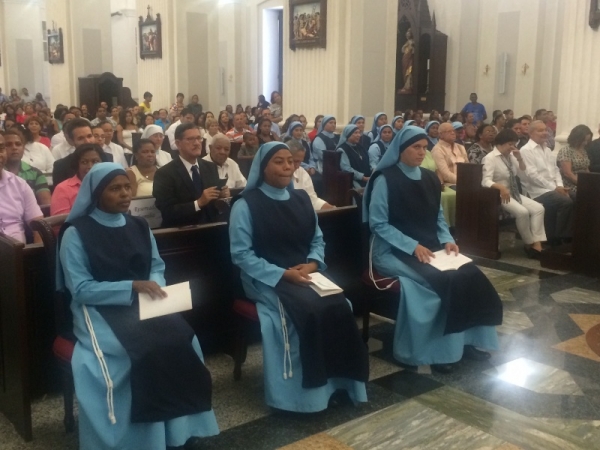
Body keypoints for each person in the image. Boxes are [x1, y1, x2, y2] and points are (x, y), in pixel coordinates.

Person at [57, 162, 219, 450]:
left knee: (184, 340)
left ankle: (179, 431)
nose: (124, 194)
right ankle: (133, 440)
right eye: (114, 189)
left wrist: (153, 285)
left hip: (143, 303)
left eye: (126, 187)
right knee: (135, 351)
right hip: (98, 308)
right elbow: (81, 290)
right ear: (96, 194)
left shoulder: (138, 224)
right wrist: (132, 287)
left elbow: (156, 265)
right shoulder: (76, 233)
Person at [229, 142, 368, 411]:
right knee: (305, 311)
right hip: (264, 279)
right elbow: (241, 256)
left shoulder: (302, 199)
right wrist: (283, 274)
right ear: (262, 167)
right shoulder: (245, 206)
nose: (286, 167)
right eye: (278, 161)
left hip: (305, 274)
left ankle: (338, 383)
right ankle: (303, 397)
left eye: (290, 161)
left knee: (340, 305)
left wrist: (313, 264)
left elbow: (317, 239)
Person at [363, 126, 502, 373]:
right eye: (415, 147)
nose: (421, 152)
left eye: (424, 148)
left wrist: (447, 238)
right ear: (400, 150)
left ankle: (468, 342)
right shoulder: (386, 179)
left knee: (471, 277)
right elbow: (378, 224)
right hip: (392, 251)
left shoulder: (429, 177)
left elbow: (437, 216)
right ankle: (442, 352)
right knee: (444, 283)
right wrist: (412, 245)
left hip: (430, 247)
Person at [481, 129, 546, 258]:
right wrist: (500, 187)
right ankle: (530, 243)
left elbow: (522, 173)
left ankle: (536, 242)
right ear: (501, 143)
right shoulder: (490, 158)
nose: (513, 147)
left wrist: (520, 159)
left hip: (513, 192)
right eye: (510, 144)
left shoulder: (510, 157)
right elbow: (485, 181)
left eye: (514, 144)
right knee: (522, 212)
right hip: (498, 194)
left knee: (539, 208)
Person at [153, 123, 226, 227]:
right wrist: (198, 203)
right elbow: (167, 211)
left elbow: (214, 204)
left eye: (198, 138)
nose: (196, 143)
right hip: (181, 233)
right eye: (190, 139)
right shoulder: (165, 174)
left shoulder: (210, 167)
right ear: (178, 144)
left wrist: (222, 197)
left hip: (211, 229)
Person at [520, 120, 573, 244]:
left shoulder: (548, 150)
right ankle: (558, 238)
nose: (544, 133)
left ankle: (569, 237)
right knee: (566, 202)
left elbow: (555, 170)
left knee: (576, 197)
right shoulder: (526, 150)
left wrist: (559, 185)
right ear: (531, 133)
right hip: (536, 191)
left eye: (545, 130)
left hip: (552, 188)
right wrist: (554, 188)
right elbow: (532, 175)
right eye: (540, 130)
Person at [0, 133, 43, 243]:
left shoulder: (20, 184)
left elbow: (38, 224)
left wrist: (36, 253)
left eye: (1, 149)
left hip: (19, 255)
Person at [3, 128, 52, 206]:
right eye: (8, 145)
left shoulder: (36, 173)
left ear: (23, 148)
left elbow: (46, 204)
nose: (14, 148)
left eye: (18, 144)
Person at [50, 144, 103, 215]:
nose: (90, 166)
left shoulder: (109, 185)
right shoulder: (63, 189)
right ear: (77, 165)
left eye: (95, 162)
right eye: (84, 162)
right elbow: (60, 223)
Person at [288, 140, 334, 211]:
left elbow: (312, 200)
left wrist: (330, 208)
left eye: (300, 162)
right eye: (295, 161)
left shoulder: (302, 172)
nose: (298, 166)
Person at [557, 125, 592, 196]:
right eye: (583, 140)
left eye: (587, 140)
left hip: (583, 182)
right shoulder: (566, 150)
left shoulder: (583, 151)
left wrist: (591, 181)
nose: (585, 143)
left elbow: (586, 169)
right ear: (576, 138)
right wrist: (582, 184)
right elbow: (568, 174)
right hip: (570, 184)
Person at [336, 124, 371, 189]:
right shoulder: (342, 149)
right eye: (355, 133)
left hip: (367, 178)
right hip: (352, 181)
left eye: (359, 133)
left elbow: (369, 161)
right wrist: (363, 178)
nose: (359, 135)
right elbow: (346, 168)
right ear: (348, 135)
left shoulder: (360, 147)